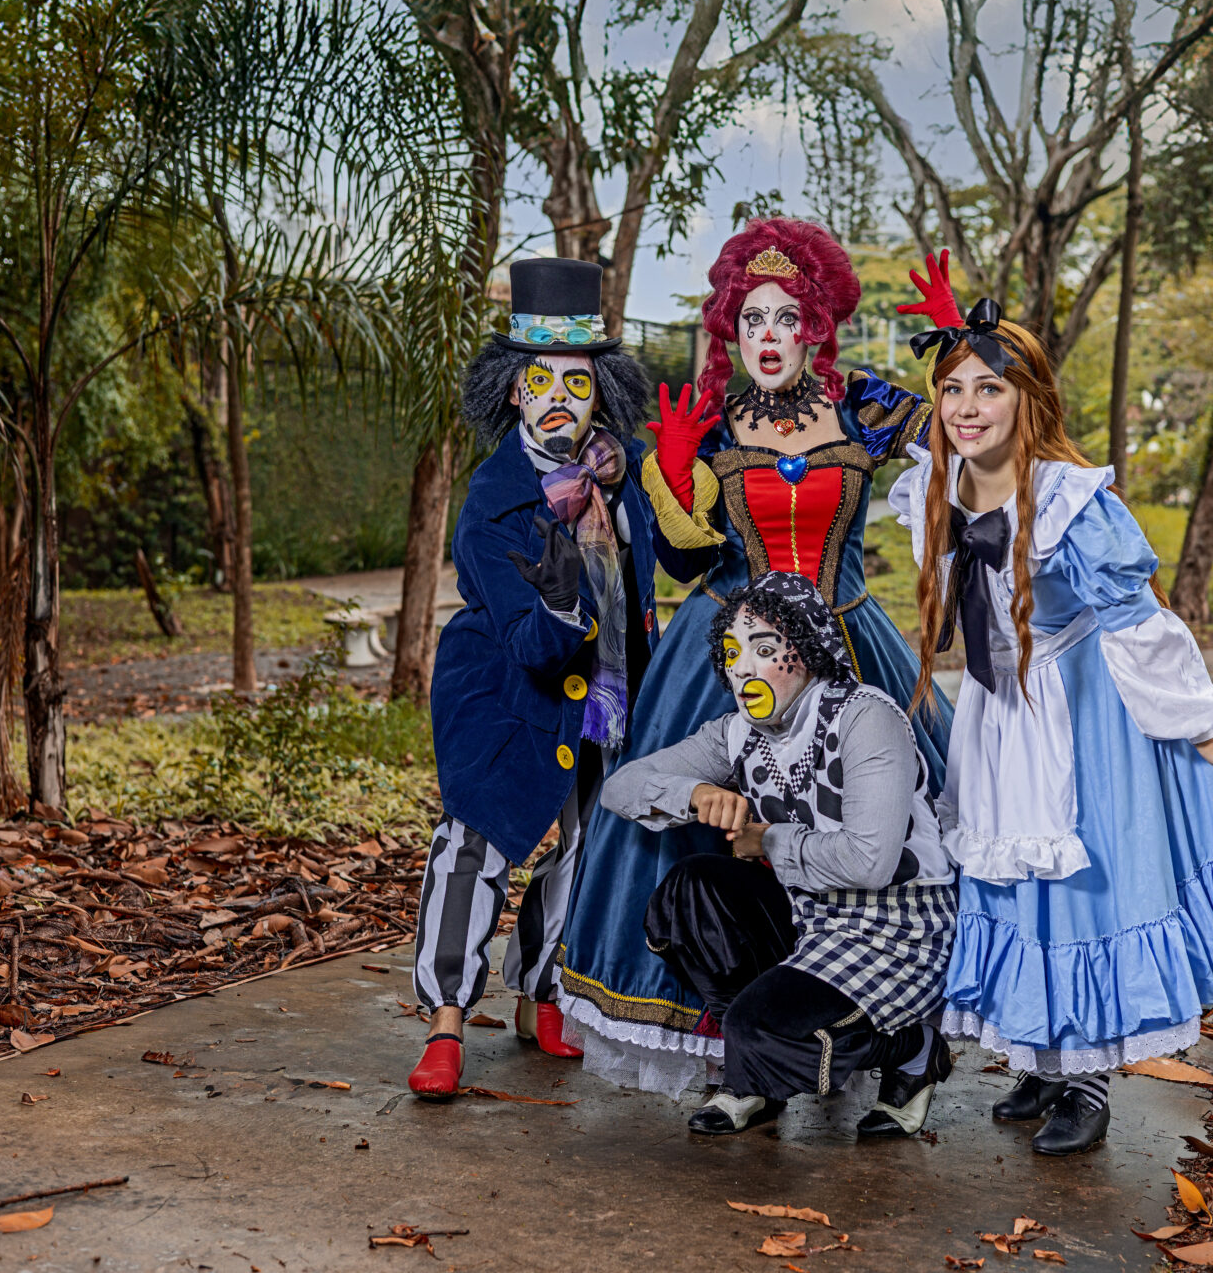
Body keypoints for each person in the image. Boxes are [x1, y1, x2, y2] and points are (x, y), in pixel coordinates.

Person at [888, 263, 1213, 1155]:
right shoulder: (937, 488)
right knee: (1012, 882)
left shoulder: (1073, 501)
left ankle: (1086, 1079)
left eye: (989, 388)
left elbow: (1137, 620)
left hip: (1082, 715)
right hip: (1000, 711)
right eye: (953, 389)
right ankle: (1041, 1057)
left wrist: (1200, 731)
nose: (967, 407)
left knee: (1082, 889)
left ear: (1027, 399)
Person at [553, 219, 953, 1098]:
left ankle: (879, 1025)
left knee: (896, 834)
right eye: (751, 320)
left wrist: (959, 345)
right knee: (709, 835)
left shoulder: (864, 408)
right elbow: (685, 562)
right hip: (727, 653)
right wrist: (676, 467)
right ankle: (734, 1043)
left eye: (786, 318)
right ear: (730, 332)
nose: (768, 337)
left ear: (815, 328)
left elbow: (971, 436)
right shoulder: (711, 424)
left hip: (848, 643)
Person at [408, 258, 716, 1098]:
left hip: (613, 688)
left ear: (599, 393)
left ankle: (542, 992)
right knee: (474, 846)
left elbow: (687, 562)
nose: (557, 399)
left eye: (575, 384)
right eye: (539, 382)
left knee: (584, 843)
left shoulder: (628, 469)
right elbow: (527, 642)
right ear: (513, 391)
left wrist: (679, 476)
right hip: (506, 694)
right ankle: (446, 1020)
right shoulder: (493, 500)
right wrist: (559, 601)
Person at [598, 571, 957, 1137]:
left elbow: (870, 862)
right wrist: (695, 793)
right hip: (808, 915)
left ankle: (913, 1049)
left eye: (765, 650)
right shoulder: (738, 731)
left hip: (894, 929)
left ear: (808, 650)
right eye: (732, 653)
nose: (742, 669)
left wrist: (765, 840)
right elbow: (620, 788)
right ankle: (754, 1075)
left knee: (758, 1027)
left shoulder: (866, 717)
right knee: (691, 890)